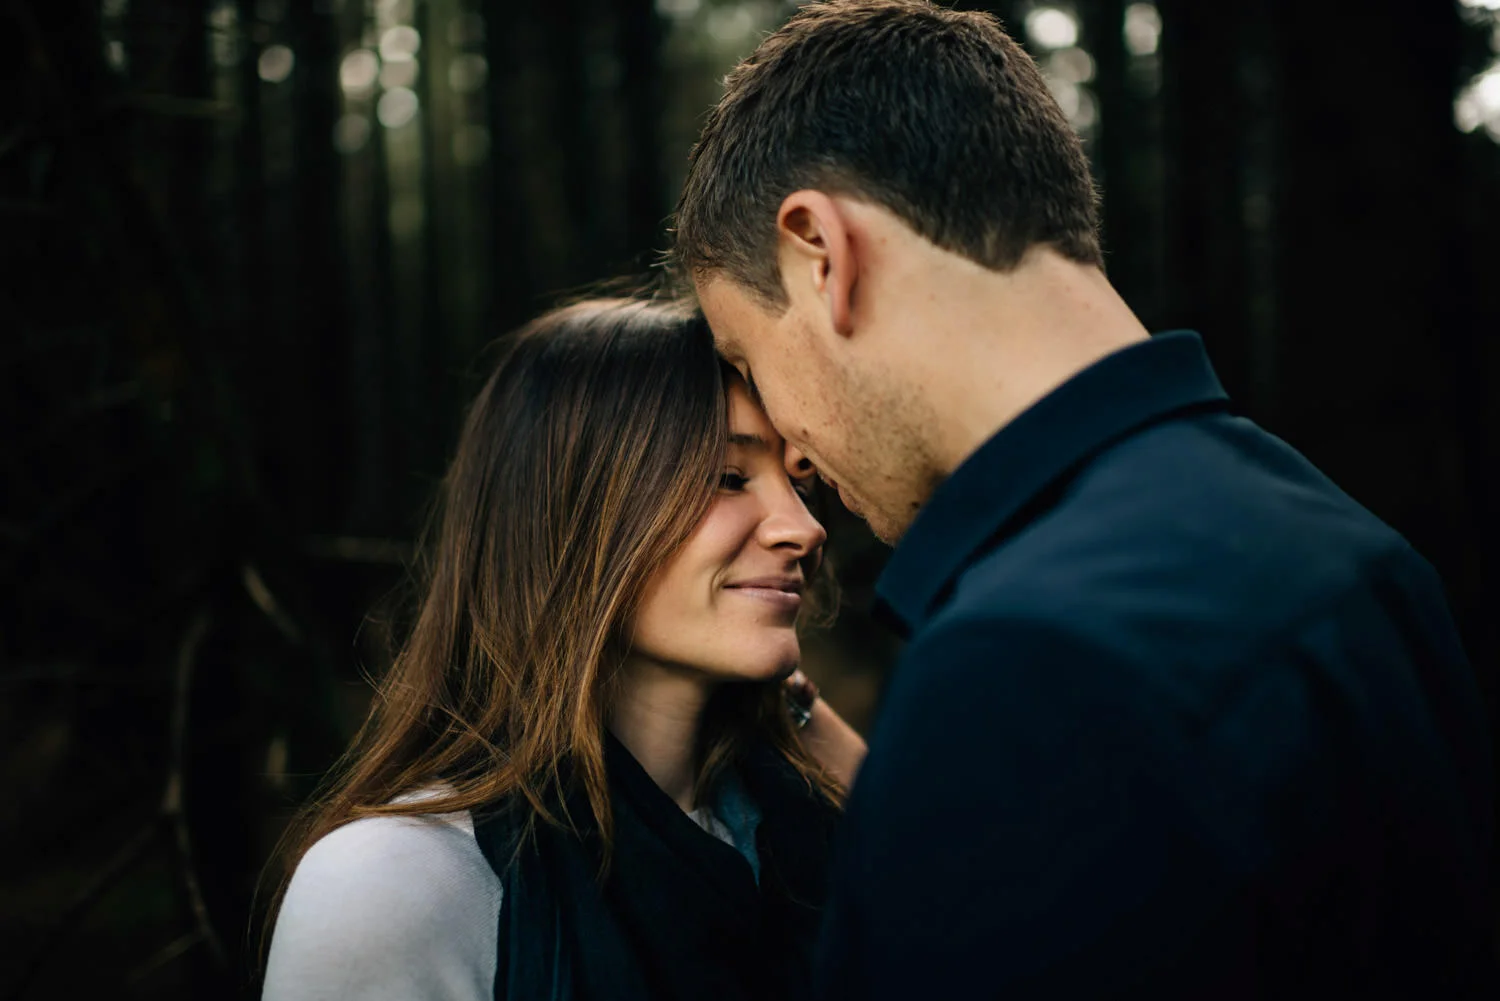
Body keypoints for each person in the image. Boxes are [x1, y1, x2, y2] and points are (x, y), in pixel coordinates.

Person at [672, 1, 1496, 998]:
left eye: (744, 354)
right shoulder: (1347, 542)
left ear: (820, 252)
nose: (791, 450)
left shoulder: (1028, 662)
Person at [261, 297, 866, 1001]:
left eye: (798, 482)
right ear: (576, 513)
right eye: (728, 477)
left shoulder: (804, 831)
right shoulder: (395, 887)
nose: (803, 526)